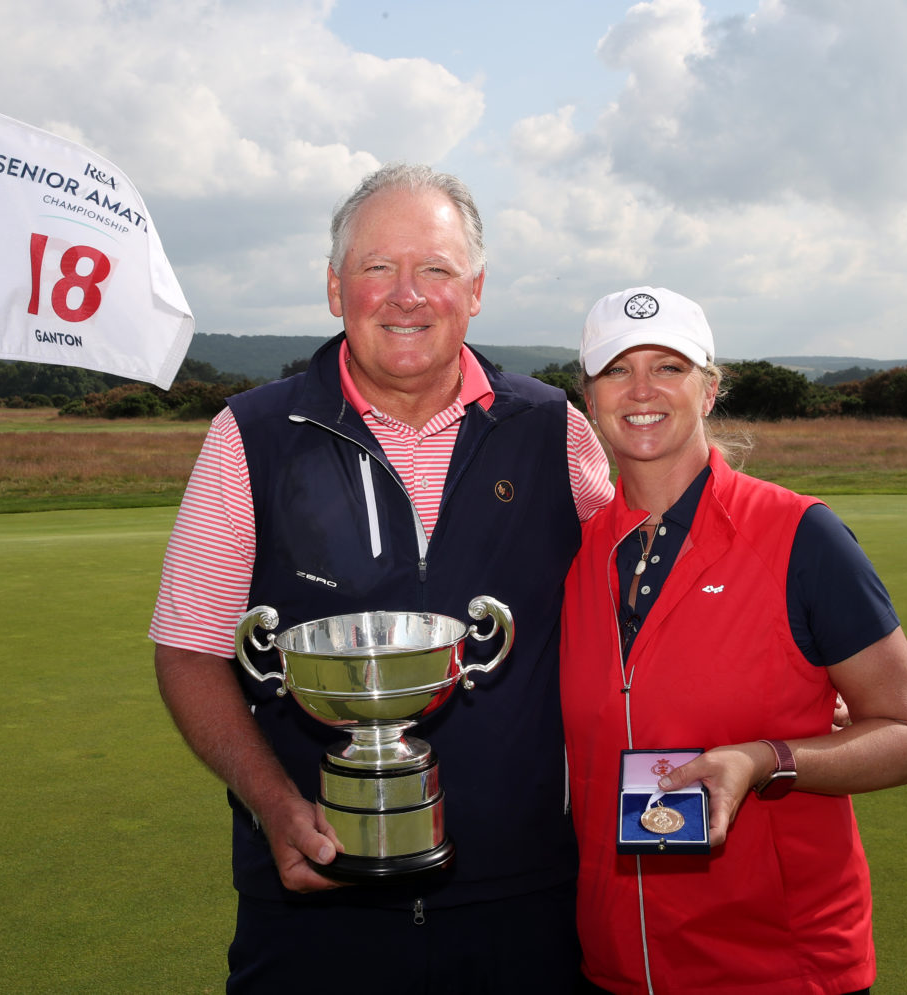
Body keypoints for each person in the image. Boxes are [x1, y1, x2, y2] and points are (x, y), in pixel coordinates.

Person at [149, 163, 614, 993]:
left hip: (522, 904)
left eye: (435, 269)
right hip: (313, 906)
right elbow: (188, 649)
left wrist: (768, 682)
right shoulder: (250, 434)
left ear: (476, 289)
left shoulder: (553, 429)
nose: (408, 295)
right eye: (377, 268)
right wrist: (273, 804)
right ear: (335, 287)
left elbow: (639, 604)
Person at [559, 287, 907, 994]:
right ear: (588, 395)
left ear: (709, 389)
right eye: (616, 370)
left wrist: (767, 758)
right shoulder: (573, 554)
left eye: (669, 367)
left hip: (777, 968)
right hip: (612, 964)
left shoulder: (801, 535)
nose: (642, 390)